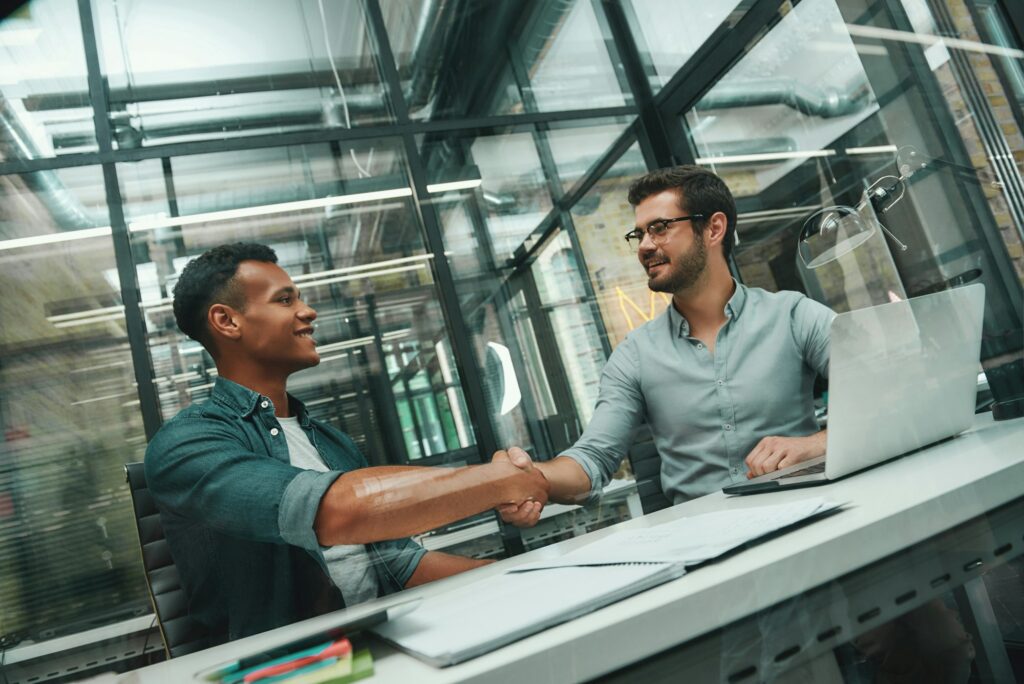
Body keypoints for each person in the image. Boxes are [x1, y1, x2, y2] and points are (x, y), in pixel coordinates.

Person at [145, 242, 548, 642]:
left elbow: (400, 566)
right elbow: (340, 512)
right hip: (293, 668)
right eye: (285, 300)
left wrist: (526, 583)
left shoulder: (330, 442)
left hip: (380, 643)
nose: (307, 311)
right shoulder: (185, 444)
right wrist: (499, 481)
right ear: (227, 321)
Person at [499, 165, 834, 523]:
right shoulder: (635, 355)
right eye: (639, 234)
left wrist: (815, 445)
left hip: (807, 518)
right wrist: (535, 479)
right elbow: (593, 458)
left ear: (714, 228)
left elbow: (887, 388)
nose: (644, 246)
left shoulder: (793, 315)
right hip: (704, 545)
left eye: (659, 228)